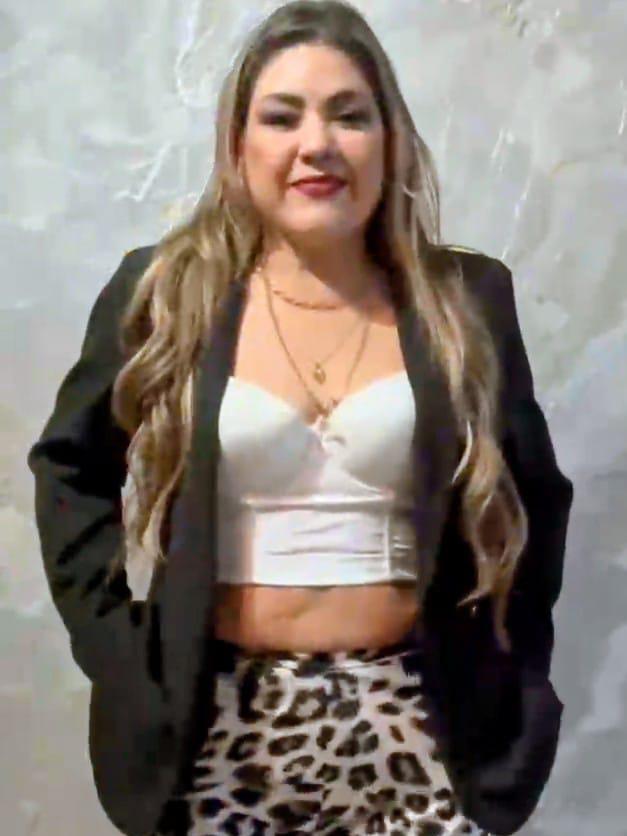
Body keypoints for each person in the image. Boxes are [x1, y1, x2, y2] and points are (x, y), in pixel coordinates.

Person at [27, 2, 574, 835]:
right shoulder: (165, 293)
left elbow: (536, 500)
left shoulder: (465, 299)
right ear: (237, 144)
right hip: (215, 739)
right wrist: (117, 649)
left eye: (349, 116)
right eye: (281, 117)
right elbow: (69, 470)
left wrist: (519, 671)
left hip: (424, 736)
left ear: (388, 140)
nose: (316, 144)